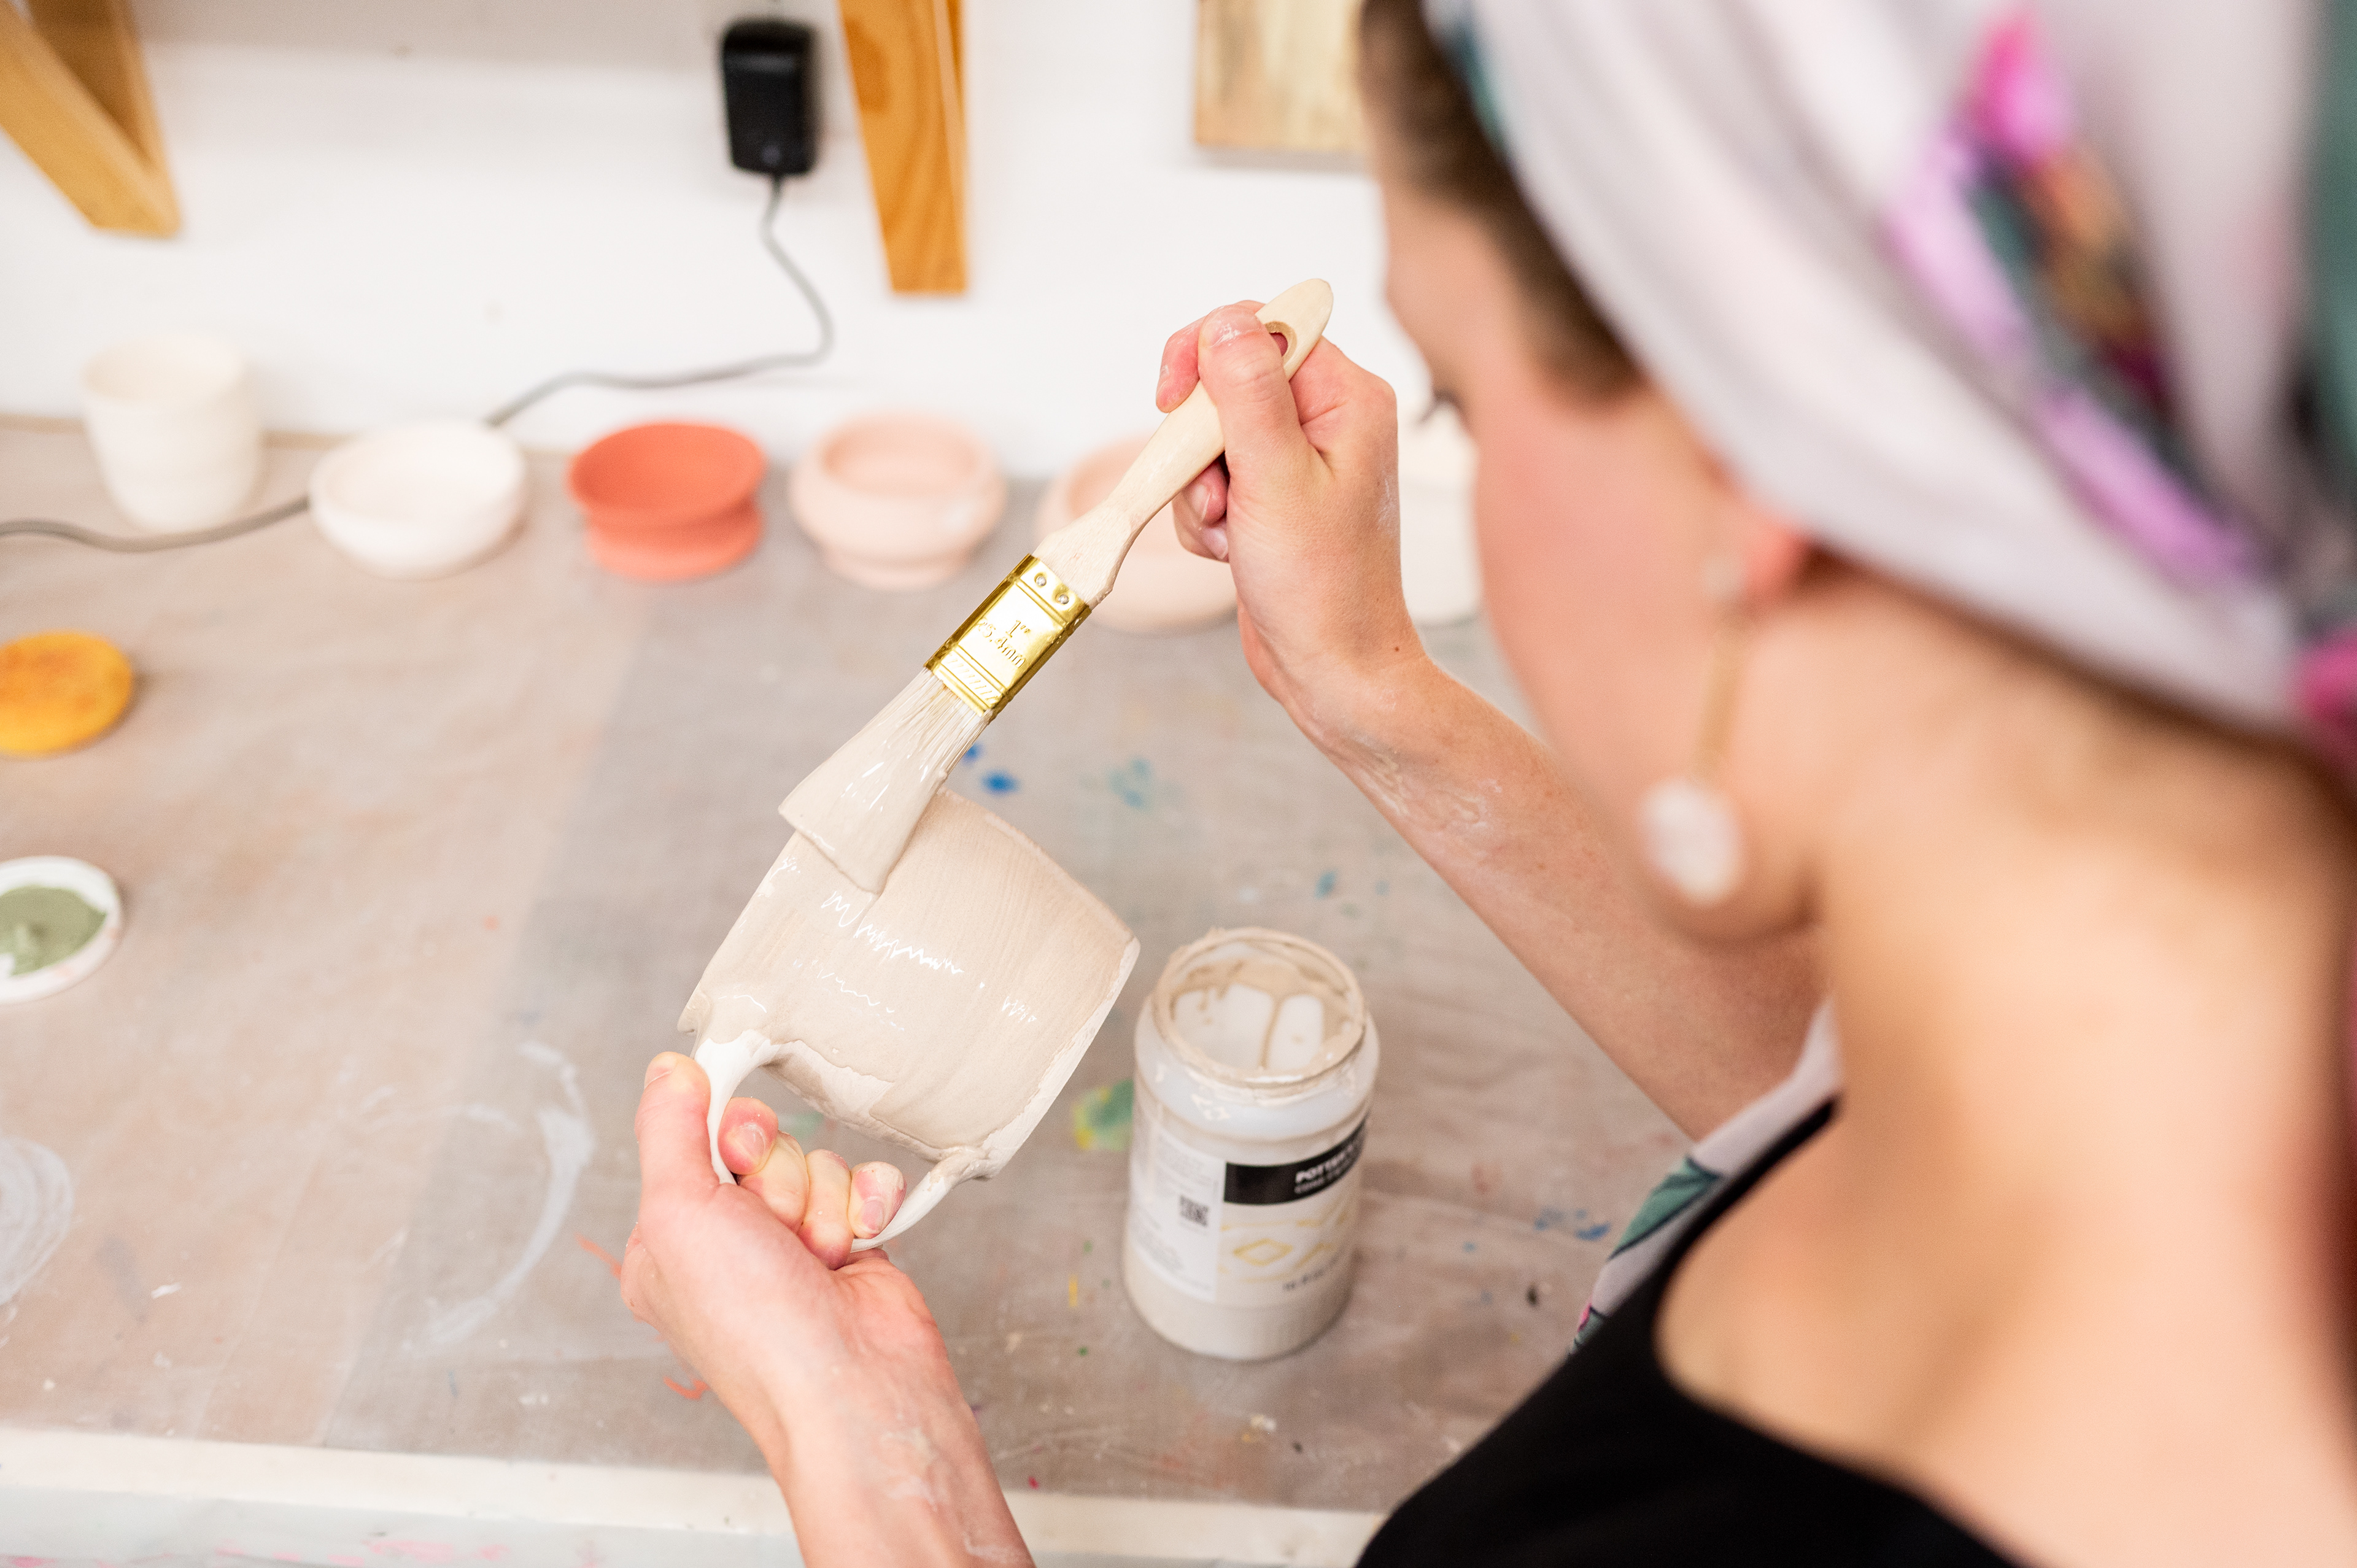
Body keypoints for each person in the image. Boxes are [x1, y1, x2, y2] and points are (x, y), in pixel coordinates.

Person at [621, 0, 2357, 1560]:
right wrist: (1365, 682)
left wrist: (869, 1469)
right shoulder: (2122, 1067)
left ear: (1755, 463)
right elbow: (1826, 1096)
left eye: (1463, 402)